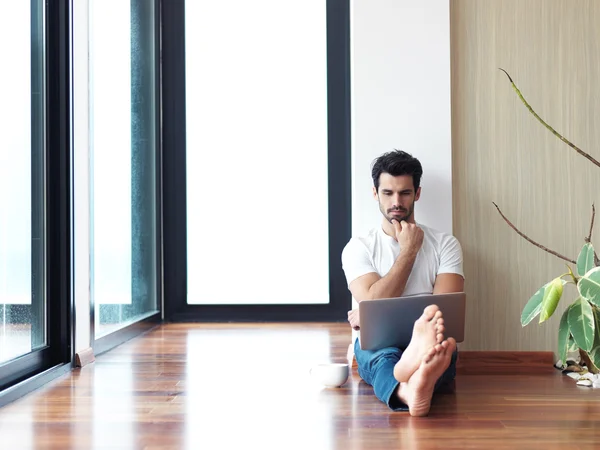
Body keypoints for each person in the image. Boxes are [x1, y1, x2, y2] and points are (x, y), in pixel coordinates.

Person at [341, 150, 464, 417]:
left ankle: (411, 379)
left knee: (444, 350)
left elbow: (444, 312)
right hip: (378, 345)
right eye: (387, 193)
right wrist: (408, 251)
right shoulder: (358, 248)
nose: (396, 202)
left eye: (405, 193)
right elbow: (372, 301)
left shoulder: (446, 244)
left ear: (417, 193)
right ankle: (411, 386)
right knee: (382, 356)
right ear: (375, 194)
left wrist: (372, 312)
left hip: (432, 342)